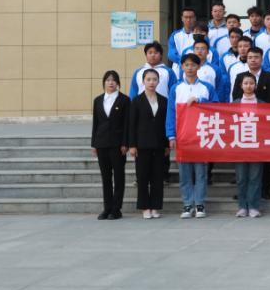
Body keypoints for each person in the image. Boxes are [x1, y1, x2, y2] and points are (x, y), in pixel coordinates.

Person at [167, 53, 219, 219]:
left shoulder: (206, 87)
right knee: (185, 173)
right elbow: (171, 113)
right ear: (182, 67)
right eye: (187, 65)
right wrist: (171, 135)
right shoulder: (175, 88)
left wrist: (200, 100)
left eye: (193, 65)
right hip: (182, 136)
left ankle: (200, 203)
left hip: (201, 136)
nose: (190, 68)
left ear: (199, 67)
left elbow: (217, 107)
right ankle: (187, 204)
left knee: (201, 172)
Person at [128, 68, 169, 219]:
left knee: (158, 177)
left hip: (159, 144)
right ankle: (145, 207)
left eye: (154, 79)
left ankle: (156, 207)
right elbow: (132, 124)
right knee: (143, 177)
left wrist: (166, 144)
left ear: (158, 82)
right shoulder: (136, 101)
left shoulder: (164, 100)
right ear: (143, 81)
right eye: (148, 79)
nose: (152, 82)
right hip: (142, 145)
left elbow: (166, 124)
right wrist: (132, 145)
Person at [91, 70, 130, 220]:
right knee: (105, 177)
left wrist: (125, 143)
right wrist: (94, 144)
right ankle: (107, 208)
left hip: (118, 144)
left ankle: (116, 209)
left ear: (118, 83)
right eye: (108, 80)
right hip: (101, 143)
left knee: (118, 177)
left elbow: (127, 124)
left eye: (113, 80)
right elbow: (96, 123)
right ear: (104, 83)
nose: (111, 82)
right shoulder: (98, 100)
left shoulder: (124, 100)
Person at [232, 72, 265, 218]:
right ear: (241, 86)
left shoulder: (262, 104)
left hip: (257, 145)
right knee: (241, 178)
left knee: (255, 177)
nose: (249, 86)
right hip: (239, 144)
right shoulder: (235, 103)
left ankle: (253, 206)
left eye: (251, 83)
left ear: (255, 85)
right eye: (246, 83)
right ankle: (242, 206)